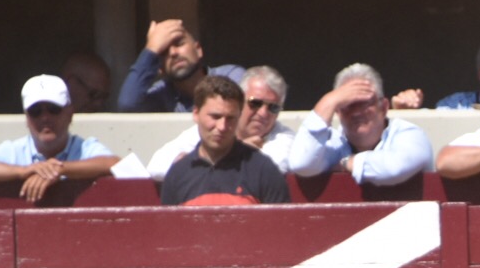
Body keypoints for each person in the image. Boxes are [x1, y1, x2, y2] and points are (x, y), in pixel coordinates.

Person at [0, 76, 121, 202]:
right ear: (27, 118)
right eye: (35, 111)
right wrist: (23, 171)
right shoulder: (15, 150)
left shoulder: (84, 148)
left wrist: (60, 169)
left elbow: (115, 164)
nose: (45, 117)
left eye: (53, 109)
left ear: (69, 114)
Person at [287, 63, 433, 185]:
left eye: (364, 103)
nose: (356, 112)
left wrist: (347, 163)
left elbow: (394, 167)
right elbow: (302, 164)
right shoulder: (334, 143)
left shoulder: (409, 134)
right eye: (347, 104)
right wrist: (328, 101)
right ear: (337, 111)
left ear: (383, 107)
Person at [147, 65, 296, 179]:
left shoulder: (284, 138)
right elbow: (156, 167)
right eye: (255, 103)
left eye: (273, 107)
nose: (263, 113)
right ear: (239, 101)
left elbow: (269, 170)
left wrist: (201, 161)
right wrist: (239, 152)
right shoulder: (214, 128)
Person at [159, 75, 289, 206]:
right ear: (196, 114)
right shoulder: (178, 174)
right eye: (215, 116)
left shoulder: (263, 170)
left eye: (230, 118)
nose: (222, 127)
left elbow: (281, 224)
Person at [117, 19, 246, 113]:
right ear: (159, 67)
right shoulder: (162, 95)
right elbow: (127, 104)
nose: (173, 53)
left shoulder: (231, 76)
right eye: (163, 52)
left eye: (179, 44)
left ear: (198, 50)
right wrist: (151, 50)